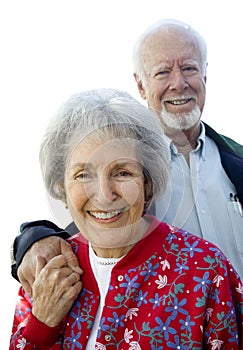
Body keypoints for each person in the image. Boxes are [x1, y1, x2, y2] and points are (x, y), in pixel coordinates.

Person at [11, 18, 243, 294]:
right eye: (162, 73)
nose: (178, 83)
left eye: (189, 69)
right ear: (141, 86)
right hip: (173, 330)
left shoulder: (235, 160)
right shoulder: (129, 167)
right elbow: (86, 219)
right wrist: (33, 239)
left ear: (204, 76)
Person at [10, 88, 243, 349]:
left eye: (122, 172)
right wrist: (41, 325)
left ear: (147, 180)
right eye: (82, 175)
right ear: (60, 185)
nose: (104, 195)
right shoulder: (44, 271)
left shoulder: (206, 270)